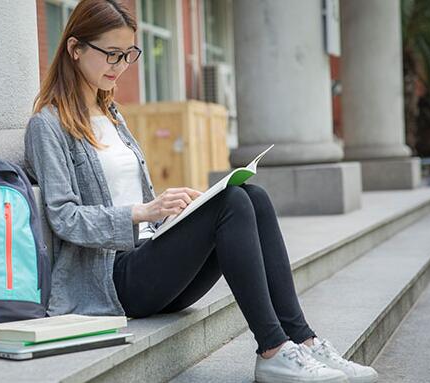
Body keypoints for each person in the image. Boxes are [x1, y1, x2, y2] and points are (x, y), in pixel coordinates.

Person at [24, 1, 378, 382]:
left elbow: (125, 190)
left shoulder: (112, 115)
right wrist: (144, 211)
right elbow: (64, 216)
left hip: (149, 262)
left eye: (128, 54)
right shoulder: (48, 125)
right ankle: (273, 349)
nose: (120, 65)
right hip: (111, 281)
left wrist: (173, 209)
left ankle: (303, 341)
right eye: (111, 54)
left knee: (251, 196)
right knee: (230, 204)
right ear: (75, 49)